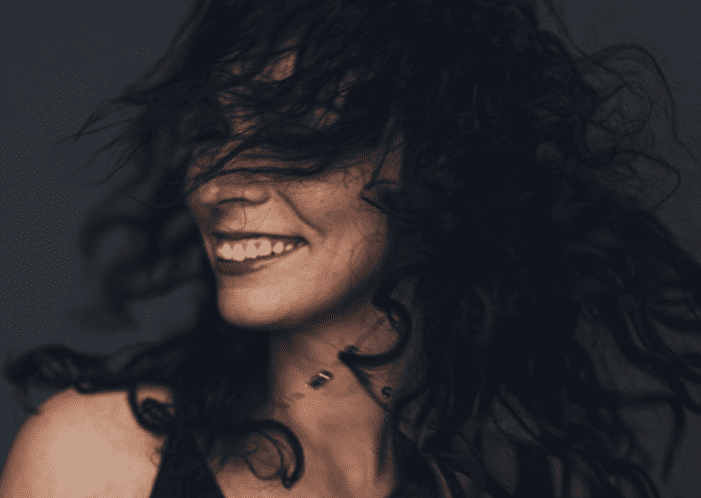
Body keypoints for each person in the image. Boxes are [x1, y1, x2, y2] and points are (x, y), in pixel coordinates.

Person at [1, 0, 700, 497]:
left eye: (295, 134)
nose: (216, 183)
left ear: (439, 167)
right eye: (213, 131)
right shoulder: (101, 461)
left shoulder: (528, 485)